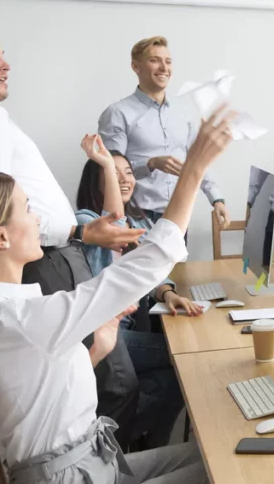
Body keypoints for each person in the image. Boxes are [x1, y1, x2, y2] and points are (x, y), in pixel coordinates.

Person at [0, 104, 234, 483]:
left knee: (219, 451)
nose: (38, 218)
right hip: (74, 476)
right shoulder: (19, 320)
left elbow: (34, 404)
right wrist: (194, 168)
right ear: (1, 237)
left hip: (86, 463)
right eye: (27, 209)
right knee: (232, 467)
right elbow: (150, 260)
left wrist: (95, 351)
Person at [0, 19, 146, 447]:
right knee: (115, 383)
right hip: (50, 263)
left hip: (58, 257)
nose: (4, 63)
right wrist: (81, 229)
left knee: (107, 373)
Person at [75, 134, 203, 450]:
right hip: (106, 337)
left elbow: (141, 270)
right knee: (182, 360)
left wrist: (167, 293)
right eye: (112, 173)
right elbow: (115, 227)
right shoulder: (85, 222)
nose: (124, 180)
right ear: (96, 180)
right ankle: (121, 439)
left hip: (127, 331)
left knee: (171, 375)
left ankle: (142, 440)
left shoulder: (134, 221)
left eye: (128, 173)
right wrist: (105, 160)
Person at [98, 36, 230, 230]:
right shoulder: (118, 114)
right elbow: (108, 172)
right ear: (136, 67)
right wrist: (150, 164)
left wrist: (216, 199)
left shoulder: (182, 114)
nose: (164, 67)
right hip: (137, 219)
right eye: (154, 60)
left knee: (180, 263)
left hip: (178, 216)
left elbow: (197, 160)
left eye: (168, 61)